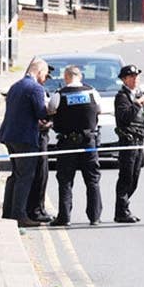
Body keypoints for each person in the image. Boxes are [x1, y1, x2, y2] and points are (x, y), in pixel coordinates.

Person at [0, 58, 54, 227]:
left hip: (10, 135)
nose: (45, 78)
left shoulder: (16, 85)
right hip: (25, 138)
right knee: (25, 176)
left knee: (15, 175)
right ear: (39, 71)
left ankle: (8, 212)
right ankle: (19, 215)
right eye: (45, 75)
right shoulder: (35, 88)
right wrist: (53, 111)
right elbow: (41, 112)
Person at [47, 65, 103, 226]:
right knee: (92, 179)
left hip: (67, 143)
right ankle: (95, 217)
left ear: (66, 77)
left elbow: (51, 110)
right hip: (88, 142)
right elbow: (99, 110)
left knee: (65, 180)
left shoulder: (60, 94)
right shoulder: (92, 92)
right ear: (81, 77)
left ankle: (64, 218)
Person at [113, 64, 144, 224]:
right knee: (126, 177)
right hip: (128, 141)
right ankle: (121, 211)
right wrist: (137, 103)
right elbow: (125, 117)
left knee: (135, 177)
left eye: (137, 76)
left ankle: (125, 208)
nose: (135, 79)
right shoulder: (122, 97)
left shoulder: (137, 94)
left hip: (139, 139)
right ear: (124, 79)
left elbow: (141, 119)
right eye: (132, 77)